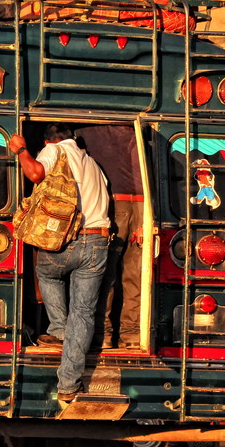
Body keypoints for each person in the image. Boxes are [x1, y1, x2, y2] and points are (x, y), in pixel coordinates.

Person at [9, 124, 110, 409]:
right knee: (84, 312)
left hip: (70, 240)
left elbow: (35, 173)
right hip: (99, 241)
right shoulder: (92, 163)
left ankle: (57, 330)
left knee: (46, 272)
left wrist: (20, 149)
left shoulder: (52, 150)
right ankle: (68, 386)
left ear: (47, 140)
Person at [76, 125, 144, 350]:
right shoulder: (139, 129)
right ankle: (132, 333)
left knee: (105, 274)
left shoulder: (87, 130)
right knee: (135, 275)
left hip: (112, 202)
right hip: (143, 204)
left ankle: (102, 333)